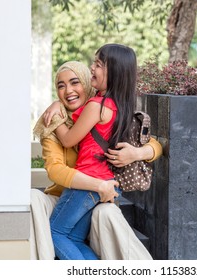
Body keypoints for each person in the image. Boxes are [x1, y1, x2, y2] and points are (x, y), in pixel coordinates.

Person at [32, 50, 161, 259]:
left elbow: (67, 139)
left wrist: (54, 119)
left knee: (55, 234)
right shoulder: (118, 105)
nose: (93, 68)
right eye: (61, 86)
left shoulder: (95, 106)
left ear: (114, 73)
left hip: (85, 182)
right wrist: (57, 104)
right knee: (73, 239)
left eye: (98, 65)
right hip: (102, 181)